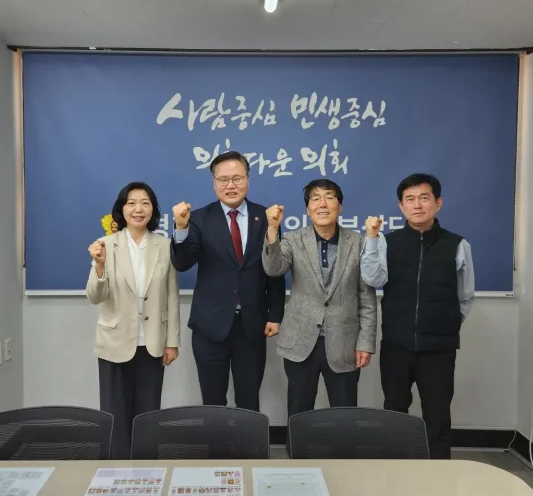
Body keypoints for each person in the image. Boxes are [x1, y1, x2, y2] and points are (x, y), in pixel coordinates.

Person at [360, 173, 475, 460]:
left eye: (424, 198)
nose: (417, 205)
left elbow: (465, 296)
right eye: (409, 199)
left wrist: (444, 325)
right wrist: (371, 240)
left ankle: (439, 476)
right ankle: (395, 472)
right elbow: (373, 280)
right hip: (396, 345)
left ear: (438, 203)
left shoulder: (457, 245)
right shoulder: (388, 242)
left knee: (437, 416)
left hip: (438, 349)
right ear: (401, 206)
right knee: (394, 412)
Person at [170, 151, 286, 411]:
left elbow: (274, 269)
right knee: (213, 403)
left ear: (248, 180)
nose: (230, 185)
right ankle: (217, 440)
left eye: (237, 178)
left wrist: (275, 314)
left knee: (249, 401)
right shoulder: (198, 219)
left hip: (251, 325)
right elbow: (182, 263)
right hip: (210, 327)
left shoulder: (265, 217)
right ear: (214, 182)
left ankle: (250, 440)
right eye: (223, 180)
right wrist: (180, 228)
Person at [261, 179, 377, 423]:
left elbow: (366, 297)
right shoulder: (293, 240)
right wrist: (272, 230)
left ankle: (342, 450)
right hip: (300, 343)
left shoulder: (358, 242)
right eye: (315, 198)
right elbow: (273, 268)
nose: (322, 204)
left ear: (340, 206)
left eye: (329, 197)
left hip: (344, 342)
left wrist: (366, 342)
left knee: (345, 415)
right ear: (308, 209)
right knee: (299, 413)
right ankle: (297, 450)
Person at [86, 182, 180, 459]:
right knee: (115, 412)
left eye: (145, 203)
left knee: (148, 413)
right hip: (114, 342)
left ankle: (147, 469)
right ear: (122, 209)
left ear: (153, 210)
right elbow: (95, 296)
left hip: (152, 342)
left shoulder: (164, 245)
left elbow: (171, 296)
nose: (138, 209)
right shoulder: (106, 244)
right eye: (132, 203)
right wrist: (99, 265)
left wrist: (172, 341)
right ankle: (117, 469)